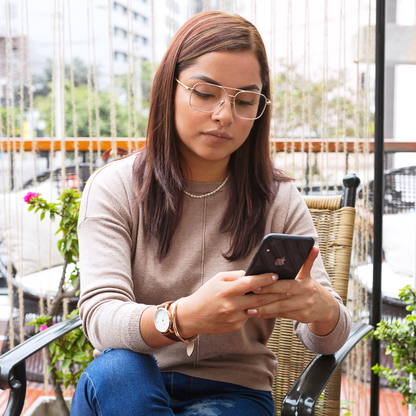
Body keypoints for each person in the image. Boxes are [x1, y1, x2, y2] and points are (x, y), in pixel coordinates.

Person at [71, 10, 351, 416]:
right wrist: (184, 318)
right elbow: (100, 316)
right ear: (171, 88)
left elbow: (328, 337)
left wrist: (322, 311)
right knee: (119, 370)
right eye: (205, 93)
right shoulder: (116, 187)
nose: (224, 115)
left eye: (245, 100)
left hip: (234, 391)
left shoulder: (277, 197)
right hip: (130, 383)